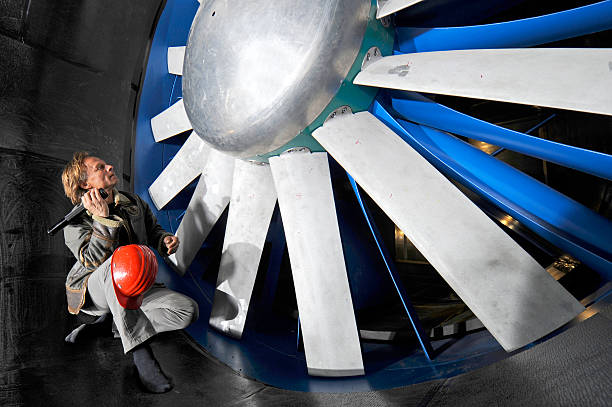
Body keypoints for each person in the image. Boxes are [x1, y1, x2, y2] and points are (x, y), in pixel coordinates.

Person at [60, 151, 199, 393]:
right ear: (85, 184)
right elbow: (91, 261)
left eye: (107, 164)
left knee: (187, 311)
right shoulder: (75, 222)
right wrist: (102, 219)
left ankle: (111, 326)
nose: (110, 167)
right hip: (94, 290)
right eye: (100, 168)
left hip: (136, 285)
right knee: (116, 263)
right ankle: (141, 355)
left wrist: (164, 240)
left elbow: (153, 230)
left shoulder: (133, 202)